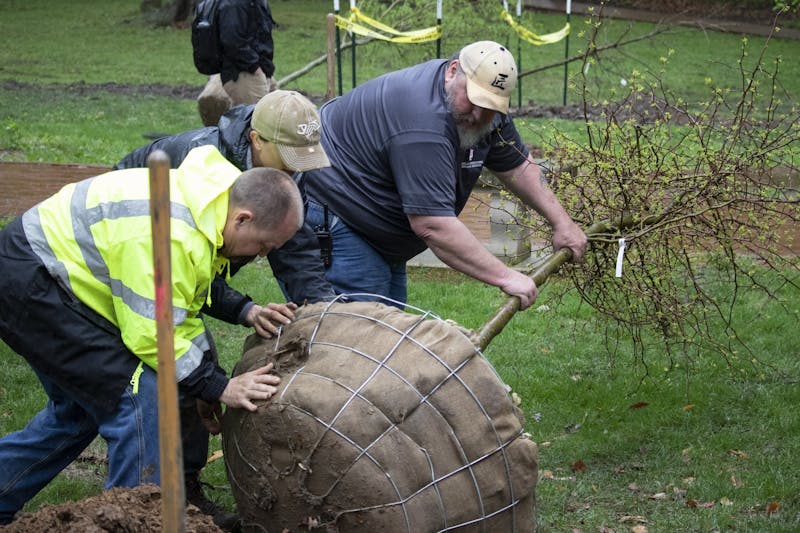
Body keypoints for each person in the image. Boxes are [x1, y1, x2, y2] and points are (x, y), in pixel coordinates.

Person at [0, 145, 302, 527]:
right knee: (136, 398)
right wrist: (219, 386)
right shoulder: (174, 232)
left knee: (77, 414)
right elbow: (153, 334)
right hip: (36, 279)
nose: (260, 256)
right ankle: (136, 520)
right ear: (243, 218)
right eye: (263, 245)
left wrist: (239, 320)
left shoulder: (214, 201)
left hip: (45, 271)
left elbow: (184, 300)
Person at [114, 89, 333, 528]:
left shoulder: (278, 168)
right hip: (132, 249)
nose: (296, 168)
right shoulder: (200, 166)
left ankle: (187, 490)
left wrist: (324, 317)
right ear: (256, 140)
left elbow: (294, 248)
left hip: (180, 262)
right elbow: (177, 265)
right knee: (152, 377)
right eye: (289, 157)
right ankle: (138, 502)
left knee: (196, 362)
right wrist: (216, 384)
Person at [293, 40, 588, 310]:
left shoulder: (486, 111)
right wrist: (505, 276)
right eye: (472, 99)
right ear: (453, 71)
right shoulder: (423, 124)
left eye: (489, 107)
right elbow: (433, 225)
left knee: (386, 335)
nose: (477, 114)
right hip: (340, 214)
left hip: (378, 224)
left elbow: (517, 166)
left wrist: (562, 223)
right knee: (357, 339)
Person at [197, 0, 278, 126]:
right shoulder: (234, 4)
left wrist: (263, 69)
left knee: (270, 121)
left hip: (258, 70)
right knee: (256, 126)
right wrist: (254, 67)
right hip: (244, 73)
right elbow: (232, 41)